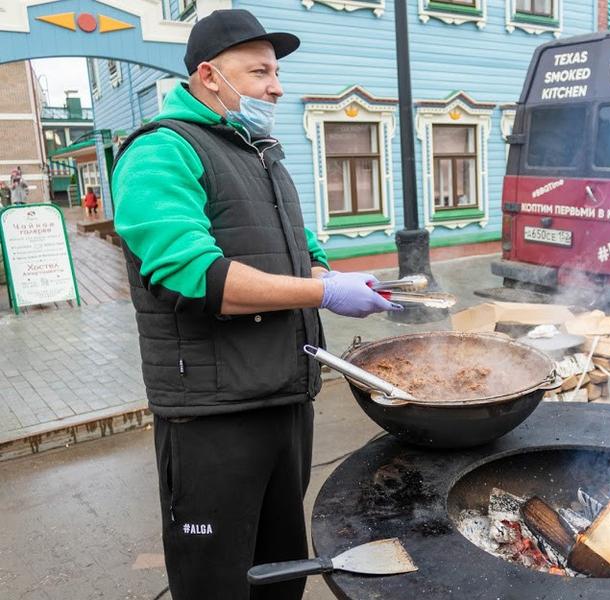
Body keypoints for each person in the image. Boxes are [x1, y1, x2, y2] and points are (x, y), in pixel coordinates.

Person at [112, 10, 400, 600]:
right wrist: (322, 291)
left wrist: (335, 277)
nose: (277, 85)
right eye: (261, 71)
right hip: (213, 418)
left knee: (280, 572)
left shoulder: (262, 153)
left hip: (287, 399)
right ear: (210, 75)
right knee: (217, 580)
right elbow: (196, 276)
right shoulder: (161, 151)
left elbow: (305, 256)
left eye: (277, 71)